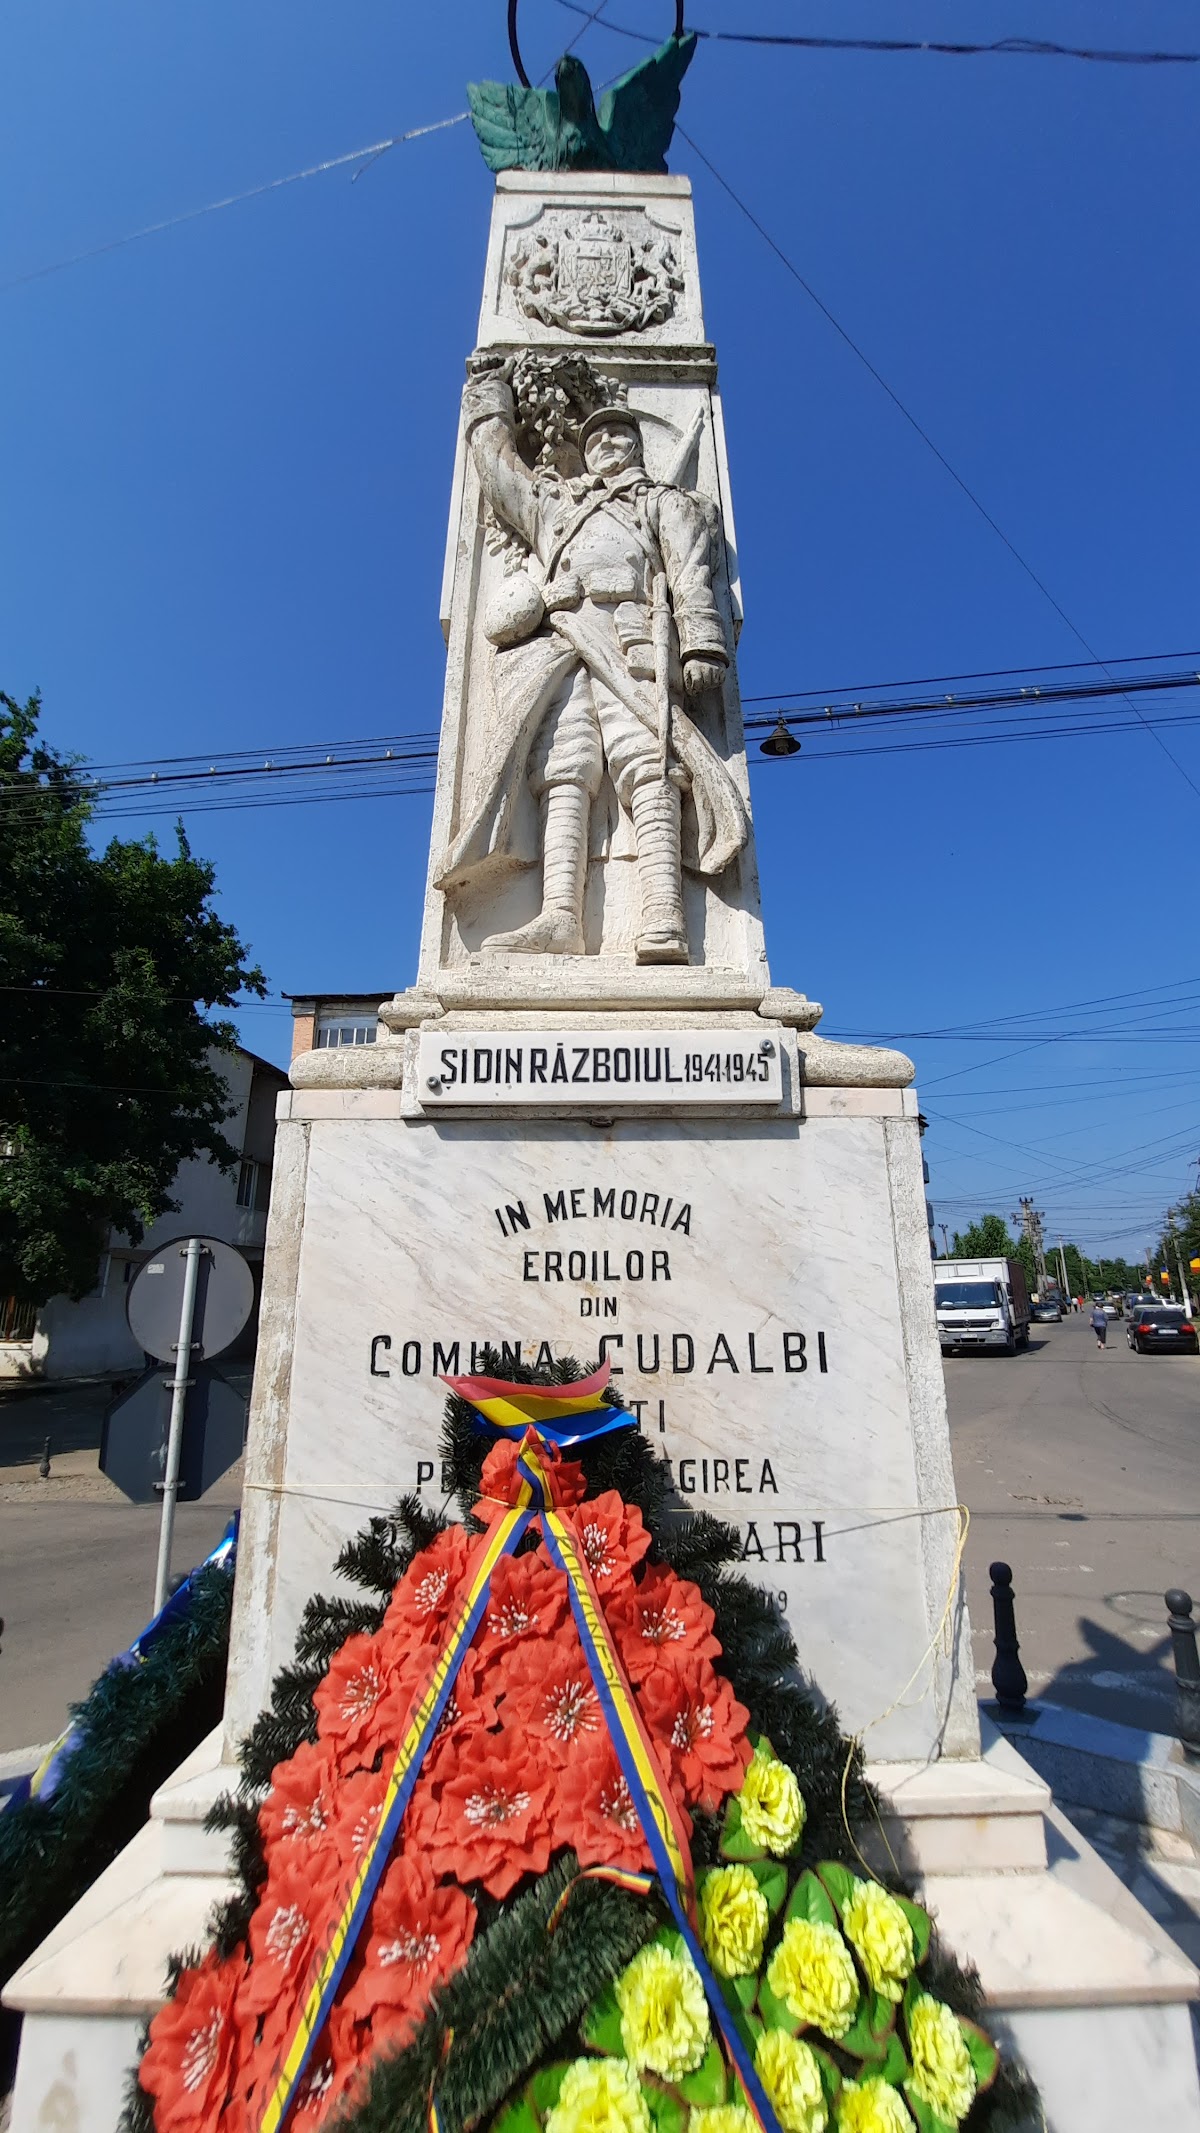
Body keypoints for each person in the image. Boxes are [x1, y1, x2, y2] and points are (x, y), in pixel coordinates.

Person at [438, 366, 748, 963]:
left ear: (638, 445)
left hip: (634, 640)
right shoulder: (557, 506)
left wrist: (701, 643)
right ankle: (560, 917)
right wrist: (490, 403)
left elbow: (690, 573)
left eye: (620, 436)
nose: (607, 444)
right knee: (564, 767)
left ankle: (662, 912)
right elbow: (501, 476)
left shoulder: (664, 503)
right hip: (566, 641)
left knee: (648, 763)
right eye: (597, 437)